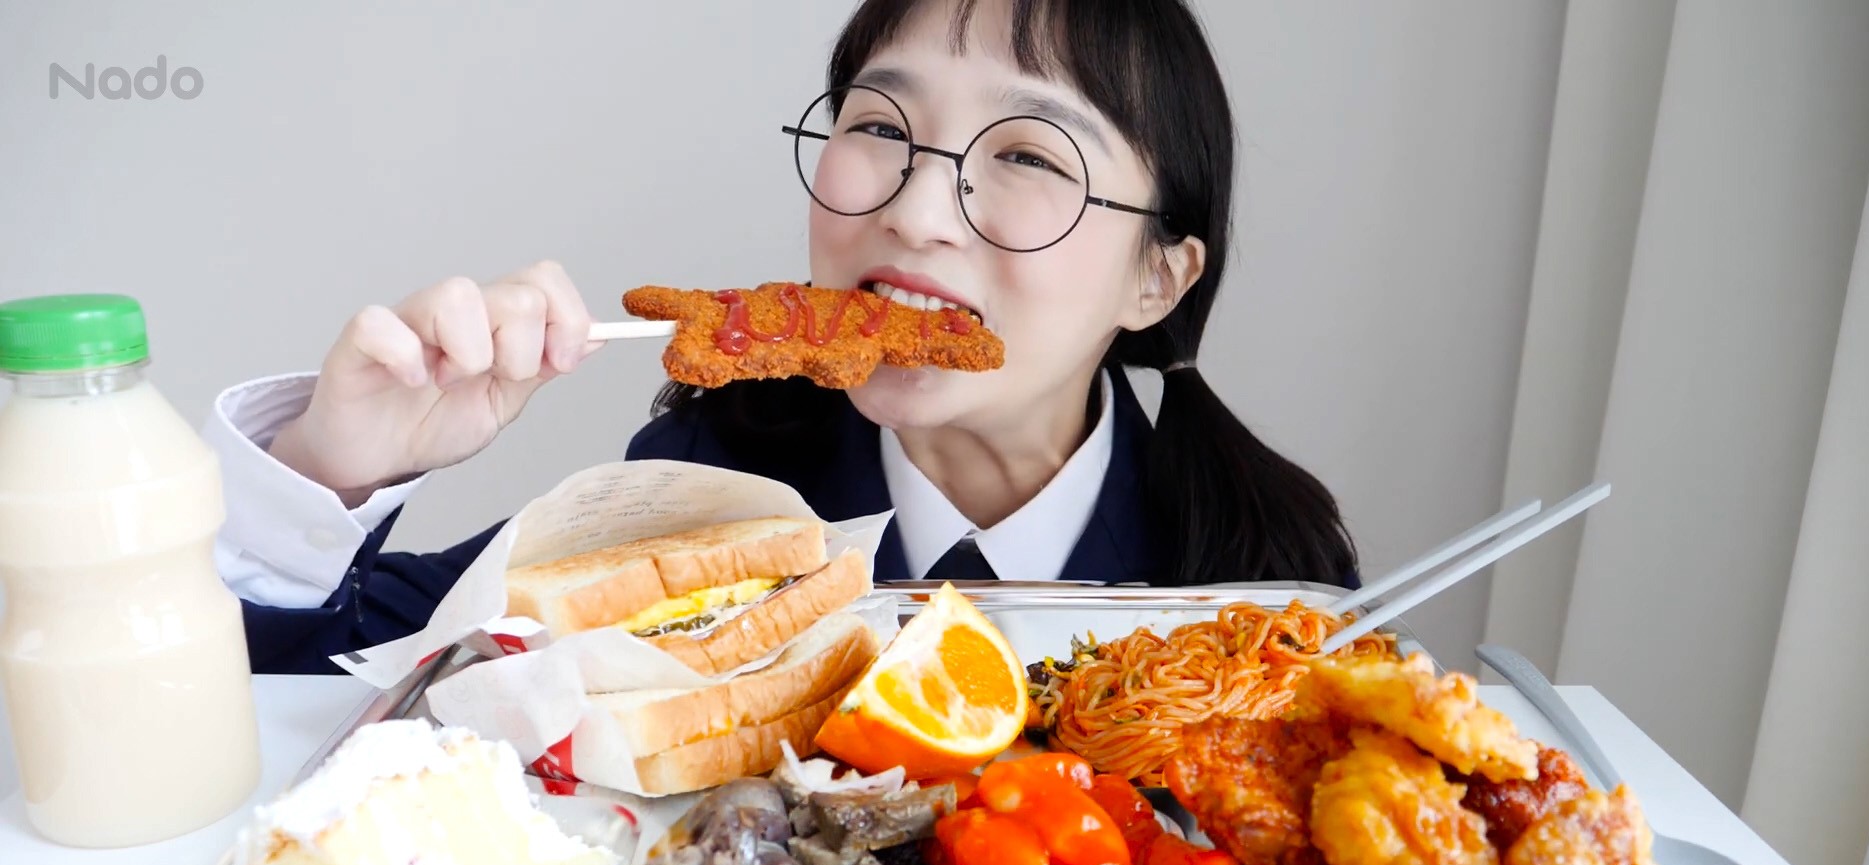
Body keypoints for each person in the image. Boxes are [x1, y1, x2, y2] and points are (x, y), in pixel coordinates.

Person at [213, 0, 1360, 675]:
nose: (916, 211)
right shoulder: (709, 487)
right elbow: (334, 671)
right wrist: (331, 469)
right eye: (882, 127)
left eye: (1026, 154)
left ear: (1158, 277)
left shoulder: (1259, 575)